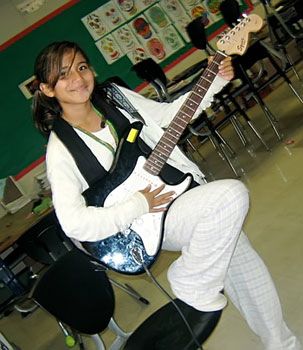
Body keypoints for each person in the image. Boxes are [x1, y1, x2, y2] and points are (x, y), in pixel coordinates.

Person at [32, 41, 300, 350]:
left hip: (180, 193)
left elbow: (169, 115)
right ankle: (190, 278)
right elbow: (74, 223)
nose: (78, 79)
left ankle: (282, 344)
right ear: (47, 89)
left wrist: (215, 81)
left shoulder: (115, 97)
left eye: (81, 67)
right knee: (231, 195)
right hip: (142, 225)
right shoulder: (60, 150)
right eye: (63, 75)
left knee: (240, 258)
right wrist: (137, 205)